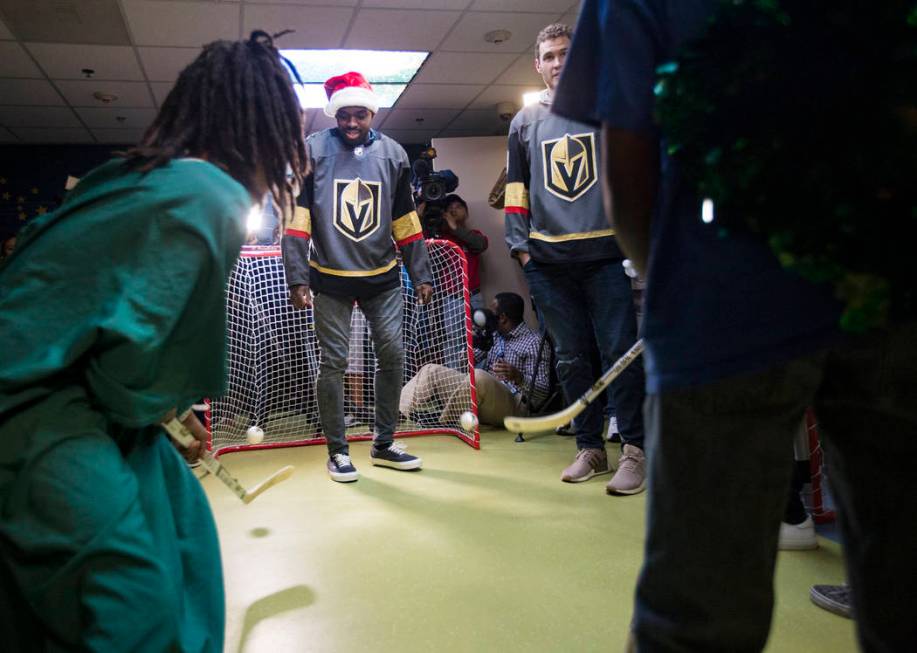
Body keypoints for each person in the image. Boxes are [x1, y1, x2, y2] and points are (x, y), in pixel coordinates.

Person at [554, 1, 917, 650]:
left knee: (697, 617)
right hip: (890, 287)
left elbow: (626, 167)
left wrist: (663, 288)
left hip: (719, 302)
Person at [0, 31, 306, 651]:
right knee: (130, 599)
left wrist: (170, 407)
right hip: (29, 401)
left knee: (183, 526)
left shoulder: (141, 176)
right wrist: (162, 401)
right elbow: (133, 376)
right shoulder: (208, 195)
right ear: (267, 129)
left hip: (71, 383)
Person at [504, 22, 647, 495]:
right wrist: (521, 250)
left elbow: (630, 175)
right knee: (570, 359)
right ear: (537, 65)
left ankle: (634, 450)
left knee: (619, 354)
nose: (558, 62)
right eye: (549, 56)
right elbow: (516, 192)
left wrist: (636, 242)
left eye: (566, 53)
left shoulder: (606, 107)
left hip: (607, 255)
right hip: (548, 263)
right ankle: (590, 448)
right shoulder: (524, 121)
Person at [282, 71, 434, 483]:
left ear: (371, 112)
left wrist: (419, 272)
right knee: (332, 364)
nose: (351, 123)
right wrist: (297, 278)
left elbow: (406, 219)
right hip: (328, 276)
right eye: (344, 115)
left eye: (360, 115)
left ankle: (384, 444)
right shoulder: (311, 151)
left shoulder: (395, 154)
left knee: (393, 355)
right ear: (335, 113)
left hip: (382, 276)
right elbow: (296, 220)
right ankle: (337, 451)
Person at [400, 292, 549, 427]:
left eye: (492, 312)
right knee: (431, 370)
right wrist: (474, 341)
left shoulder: (533, 342)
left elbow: (542, 393)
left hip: (515, 406)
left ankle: (442, 422)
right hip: (482, 399)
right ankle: (396, 413)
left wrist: (518, 377)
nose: (488, 315)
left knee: (478, 376)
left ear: (502, 317)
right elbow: (463, 363)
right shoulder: (495, 335)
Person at [439, 194, 488, 312]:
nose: (454, 211)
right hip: (451, 299)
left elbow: (480, 245)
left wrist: (455, 228)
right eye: (450, 209)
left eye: (458, 207)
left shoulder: (475, 234)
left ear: (466, 212)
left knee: (481, 329)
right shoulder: (441, 239)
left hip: (474, 295)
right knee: (455, 331)